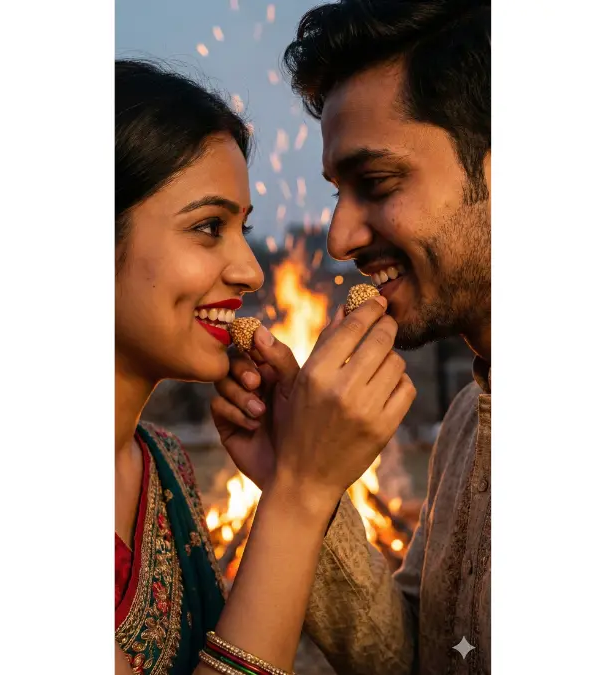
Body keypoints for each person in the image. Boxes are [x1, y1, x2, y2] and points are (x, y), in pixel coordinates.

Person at [210, 0, 492, 672]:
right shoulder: (466, 425)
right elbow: (429, 653)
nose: (341, 238)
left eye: (377, 183)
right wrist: (299, 480)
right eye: (339, 191)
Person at [113, 59, 417, 675]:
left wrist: (291, 479)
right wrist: (301, 494)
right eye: (207, 227)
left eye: (242, 229)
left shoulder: (163, 464)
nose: (251, 271)